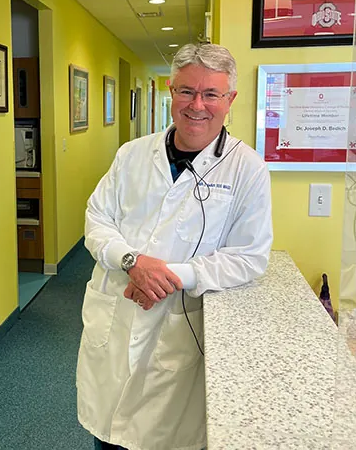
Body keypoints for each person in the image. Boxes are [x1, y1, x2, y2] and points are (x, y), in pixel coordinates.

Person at [76, 43, 273, 450]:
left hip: (177, 329)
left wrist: (168, 275)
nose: (196, 105)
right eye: (186, 91)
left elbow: (249, 256)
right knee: (107, 437)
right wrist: (132, 262)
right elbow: (97, 219)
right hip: (117, 313)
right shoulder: (132, 154)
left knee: (164, 438)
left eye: (211, 94)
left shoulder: (248, 169)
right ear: (171, 91)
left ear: (230, 99)